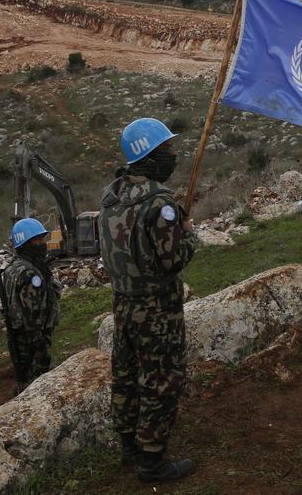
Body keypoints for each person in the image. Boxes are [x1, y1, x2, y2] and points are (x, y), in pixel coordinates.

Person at [100, 118, 196, 483]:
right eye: (167, 150)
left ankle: (129, 447)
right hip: (157, 309)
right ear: (150, 155)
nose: (172, 156)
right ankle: (152, 462)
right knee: (161, 379)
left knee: (125, 375)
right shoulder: (160, 202)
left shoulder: (111, 193)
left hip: (122, 303)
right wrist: (188, 233)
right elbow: (173, 259)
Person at [0, 217, 60, 395]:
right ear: (25, 244)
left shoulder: (13, 268)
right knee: (36, 384)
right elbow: (33, 313)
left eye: (42, 239)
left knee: (26, 377)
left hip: (20, 336)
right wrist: (39, 341)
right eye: (36, 240)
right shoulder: (30, 273)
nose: (42, 244)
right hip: (31, 339)